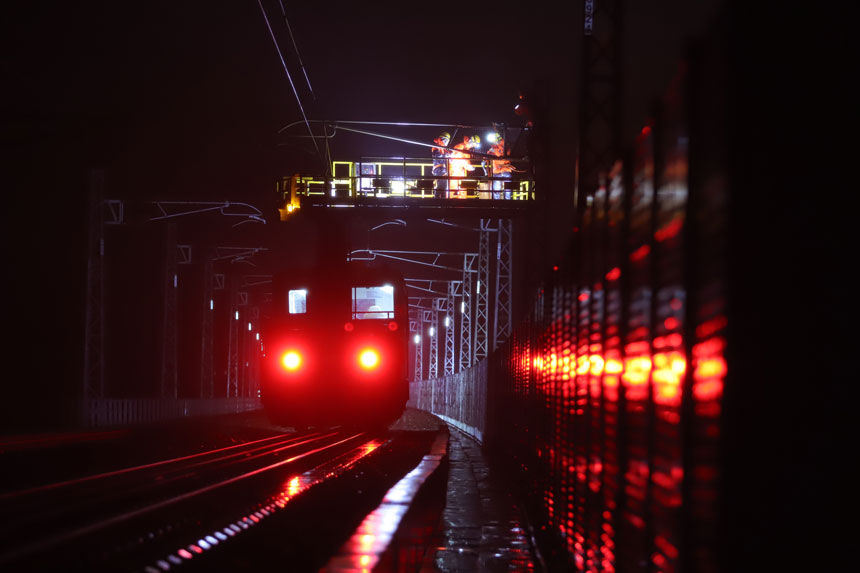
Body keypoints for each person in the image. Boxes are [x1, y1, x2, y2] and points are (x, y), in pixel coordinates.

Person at [487, 132, 515, 199]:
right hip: (500, 171)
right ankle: (500, 203)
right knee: (498, 189)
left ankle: (505, 203)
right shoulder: (494, 148)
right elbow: (488, 156)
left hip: (503, 170)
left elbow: (505, 158)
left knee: (506, 189)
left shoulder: (505, 147)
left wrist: (500, 163)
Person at [431, 132, 451, 198]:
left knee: (443, 187)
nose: (447, 142)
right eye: (446, 140)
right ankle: (437, 201)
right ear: (443, 139)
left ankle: (441, 201)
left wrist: (449, 156)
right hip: (439, 170)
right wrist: (446, 155)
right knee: (441, 186)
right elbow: (437, 155)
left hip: (442, 170)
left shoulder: (443, 148)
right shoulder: (436, 147)